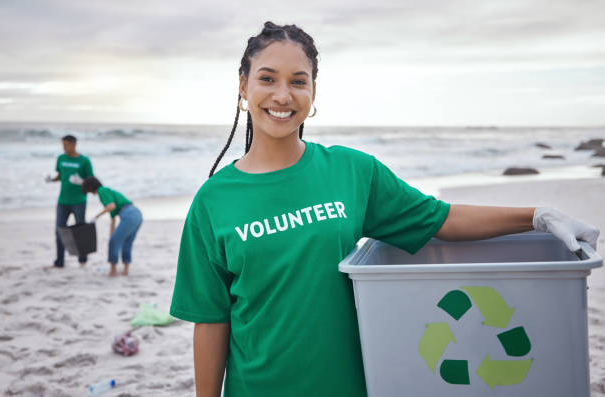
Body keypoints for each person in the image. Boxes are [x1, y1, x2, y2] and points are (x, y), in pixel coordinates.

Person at [169, 22, 600, 397]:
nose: (283, 95)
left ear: (313, 92)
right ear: (243, 86)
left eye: (298, 81)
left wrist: (536, 216)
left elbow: (440, 218)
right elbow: (211, 319)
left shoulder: (352, 172)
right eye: (267, 78)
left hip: (354, 388)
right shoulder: (214, 199)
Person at [45, 134, 94, 268]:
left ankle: (82, 260)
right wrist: (51, 180)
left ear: (74, 144)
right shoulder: (61, 158)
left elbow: (91, 182)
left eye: (66, 145)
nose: (64, 148)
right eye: (63, 145)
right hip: (63, 201)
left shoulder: (84, 161)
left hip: (79, 201)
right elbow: (60, 176)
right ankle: (59, 262)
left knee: (80, 231)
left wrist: (81, 181)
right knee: (59, 231)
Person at [81, 177, 143, 277]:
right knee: (127, 242)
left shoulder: (102, 190)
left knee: (114, 242)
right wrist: (112, 234)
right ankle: (125, 270)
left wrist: (96, 217)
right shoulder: (107, 191)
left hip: (129, 214)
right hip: (137, 214)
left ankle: (113, 270)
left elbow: (111, 206)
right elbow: (113, 219)